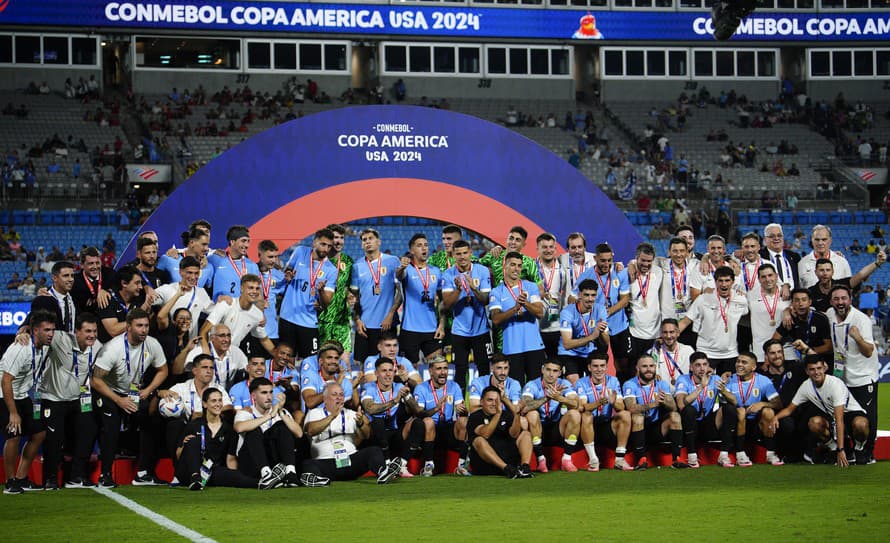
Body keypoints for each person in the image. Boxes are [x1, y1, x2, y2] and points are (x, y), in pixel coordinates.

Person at [90, 309, 168, 487]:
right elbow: (95, 380)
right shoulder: (112, 348)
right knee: (111, 426)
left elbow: (163, 370)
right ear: (128, 327)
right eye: (139, 326)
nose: (144, 330)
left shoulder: (152, 344)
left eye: (146, 326)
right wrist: (119, 400)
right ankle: (106, 474)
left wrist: (148, 390)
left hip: (133, 392)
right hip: (108, 392)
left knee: (151, 419)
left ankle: (144, 472)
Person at [29, 313, 102, 489]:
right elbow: (39, 330)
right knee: (54, 439)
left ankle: (76, 476)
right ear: (76, 332)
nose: (92, 335)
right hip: (53, 398)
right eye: (87, 331)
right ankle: (50, 478)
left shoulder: (98, 347)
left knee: (88, 431)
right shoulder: (60, 338)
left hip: (78, 399)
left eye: (94, 331)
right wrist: (24, 330)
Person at [771, 358, 870, 467]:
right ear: (807, 372)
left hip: (849, 414)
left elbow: (839, 420)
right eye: (812, 369)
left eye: (819, 368)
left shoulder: (835, 384)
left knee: (861, 424)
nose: (816, 372)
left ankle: (859, 448)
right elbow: (790, 409)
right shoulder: (806, 386)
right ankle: (832, 448)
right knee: (814, 423)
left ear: (824, 368)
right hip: (832, 416)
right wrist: (776, 417)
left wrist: (841, 450)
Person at [302, 382, 401, 484]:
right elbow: (310, 430)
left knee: (374, 451)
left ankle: (383, 473)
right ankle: (316, 480)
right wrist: (332, 416)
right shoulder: (314, 413)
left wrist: (361, 424)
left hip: (349, 460)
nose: (339, 397)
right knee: (308, 464)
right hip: (327, 462)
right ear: (325, 398)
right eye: (334, 394)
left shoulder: (351, 413)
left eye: (341, 395)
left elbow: (366, 435)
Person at [824, 285, 879, 464]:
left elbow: (869, 351)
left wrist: (857, 338)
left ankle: (866, 452)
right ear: (831, 301)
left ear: (850, 300)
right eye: (837, 299)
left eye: (844, 298)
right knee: (844, 416)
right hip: (842, 377)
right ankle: (849, 451)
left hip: (863, 378)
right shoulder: (829, 315)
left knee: (865, 421)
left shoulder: (861, 319)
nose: (840, 302)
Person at [1, 310, 53, 494]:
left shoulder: (45, 348)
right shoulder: (21, 348)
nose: (50, 334)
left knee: (39, 433)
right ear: (35, 331)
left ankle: (22, 477)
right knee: (13, 434)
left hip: (23, 395)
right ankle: (10, 481)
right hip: (4, 394)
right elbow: (6, 380)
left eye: (52, 330)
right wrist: (13, 413)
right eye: (46, 330)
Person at [174, 388, 266, 490]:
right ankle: (195, 478)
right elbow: (179, 455)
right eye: (213, 401)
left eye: (220, 400)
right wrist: (184, 444)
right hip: (188, 471)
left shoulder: (228, 429)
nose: (218, 404)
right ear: (205, 404)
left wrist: (233, 473)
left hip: (211, 471)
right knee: (193, 440)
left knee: (234, 476)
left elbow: (230, 460)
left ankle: (263, 483)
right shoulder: (194, 425)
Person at [233, 378, 314, 487]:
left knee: (281, 426)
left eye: (271, 392)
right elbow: (239, 428)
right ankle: (266, 474)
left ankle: (290, 473)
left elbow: (299, 434)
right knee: (253, 431)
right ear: (253, 396)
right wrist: (270, 416)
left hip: (273, 461)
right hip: (251, 461)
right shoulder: (246, 412)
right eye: (264, 393)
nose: (269, 397)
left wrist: (280, 412)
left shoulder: (279, 411)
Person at [572, 243, 632, 382]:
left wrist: (609, 311)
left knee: (622, 364)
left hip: (619, 325)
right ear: (595, 258)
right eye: (603, 260)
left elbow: (625, 299)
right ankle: (597, 392)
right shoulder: (586, 276)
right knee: (597, 363)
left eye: (609, 260)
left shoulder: (619, 272)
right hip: (596, 327)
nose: (606, 264)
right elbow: (573, 297)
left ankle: (622, 392)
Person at [441, 239, 492, 391]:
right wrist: (458, 290)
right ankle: (460, 407)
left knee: (484, 368)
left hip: (481, 330)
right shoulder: (448, 274)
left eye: (465, 253)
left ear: (471, 253)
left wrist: (474, 288)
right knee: (460, 370)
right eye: (458, 254)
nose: (462, 257)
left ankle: (485, 403)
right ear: (453, 256)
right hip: (459, 331)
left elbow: (485, 300)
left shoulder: (482, 271)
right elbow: (447, 304)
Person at [679, 266, 749, 375]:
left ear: (733, 282)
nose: (724, 284)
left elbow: (746, 315)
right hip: (706, 352)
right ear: (715, 282)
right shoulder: (703, 298)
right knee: (704, 387)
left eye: (727, 280)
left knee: (729, 387)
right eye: (720, 281)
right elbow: (685, 321)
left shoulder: (741, 300)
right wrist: (668, 337)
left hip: (731, 353)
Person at [279, 228, 338, 358]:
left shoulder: (331, 270)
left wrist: (321, 291)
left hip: (309, 321)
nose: (326, 249)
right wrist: (288, 274)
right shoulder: (300, 251)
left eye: (329, 246)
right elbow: (288, 269)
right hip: (287, 317)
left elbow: (327, 301)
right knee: (286, 359)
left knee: (310, 361)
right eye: (323, 244)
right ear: (314, 242)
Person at [489, 252, 546, 384]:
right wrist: (515, 308)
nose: (516, 269)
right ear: (505, 266)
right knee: (515, 389)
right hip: (511, 349)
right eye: (513, 265)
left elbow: (539, 313)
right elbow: (496, 319)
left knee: (537, 388)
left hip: (534, 347)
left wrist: (525, 303)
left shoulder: (530, 287)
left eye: (519, 266)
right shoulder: (497, 292)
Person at [359, 357, 422, 478]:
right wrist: (394, 401)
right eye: (384, 371)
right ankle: (387, 465)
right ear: (376, 373)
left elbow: (417, 411)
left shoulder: (399, 386)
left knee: (418, 423)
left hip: (395, 433)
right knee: (378, 421)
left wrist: (408, 396)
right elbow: (370, 408)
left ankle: (401, 465)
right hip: (375, 436)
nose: (388, 374)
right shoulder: (369, 388)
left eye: (390, 370)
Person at [622, 355, 686, 469]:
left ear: (655, 367)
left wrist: (664, 401)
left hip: (657, 429)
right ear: (637, 368)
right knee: (637, 417)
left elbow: (674, 407)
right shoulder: (630, 384)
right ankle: (641, 460)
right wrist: (653, 404)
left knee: (675, 416)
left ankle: (676, 459)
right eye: (644, 366)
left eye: (651, 366)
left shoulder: (661, 384)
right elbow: (630, 408)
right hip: (636, 430)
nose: (648, 369)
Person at [675, 352, 737, 468]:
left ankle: (723, 455)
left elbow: (735, 402)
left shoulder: (715, 379)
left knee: (729, 409)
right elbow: (681, 404)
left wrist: (723, 391)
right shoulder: (683, 380)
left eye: (705, 364)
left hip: (708, 424)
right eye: (698, 365)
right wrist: (701, 387)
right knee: (689, 410)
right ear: (691, 367)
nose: (702, 368)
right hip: (689, 425)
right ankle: (692, 457)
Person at [409, 358, 469, 476]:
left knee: (463, 421)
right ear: (431, 371)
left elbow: (460, 409)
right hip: (428, 431)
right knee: (428, 421)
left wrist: (464, 411)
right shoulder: (421, 388)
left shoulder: (454, 386)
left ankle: (462, 465)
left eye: (445, 368)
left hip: (447, 429)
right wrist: (436, 408)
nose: (443, 372)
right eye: (439, 369)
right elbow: (419, 414)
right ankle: (428, 466)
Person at [575, 351, 633, 471]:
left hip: (607, 426)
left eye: (602, 366)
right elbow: (582, 407)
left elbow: (621, 407)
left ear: (607, 367)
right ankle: (593, 460)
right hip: (587, 428)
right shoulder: (581, 382)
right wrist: (598, 403)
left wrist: (613, 402)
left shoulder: (613, 381)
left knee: (625, 415)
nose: (599, 369)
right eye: (595, 366)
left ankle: (619, 459)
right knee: (586, 415)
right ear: (589, 367)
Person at [351, 228, 402, 364]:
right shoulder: (357, 266)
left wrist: (391, 314)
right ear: (361, 245)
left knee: (387, 363)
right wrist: (357, 320)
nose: (367, 242)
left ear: (378, 242)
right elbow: (354, 297)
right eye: (364, 240)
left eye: (370, 238)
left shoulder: (392, 261)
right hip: (365, 326)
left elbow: (400, 293)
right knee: (362, 365)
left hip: (386, 324)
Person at [520, 359, 581, 473]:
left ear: (560, 373)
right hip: (538, 428)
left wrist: (560, 398)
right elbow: (526, 406)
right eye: (548, 370)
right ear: (542, 370)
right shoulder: (532, 385)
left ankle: (567, 460)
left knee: (575, 414)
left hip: (557, 428)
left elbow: (576, 404)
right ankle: (541, 460)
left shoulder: (564, 384)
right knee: (532, 414)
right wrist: (548, 397)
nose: (551, 374)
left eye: (555, 371)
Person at [725, 352, 784, 467]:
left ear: (753, 367)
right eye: (738, 361)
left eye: (744, 362)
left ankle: (770, 453)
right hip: (735, 424)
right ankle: (740, 453)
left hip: (757, 425)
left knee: (768, 411)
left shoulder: (763, 381)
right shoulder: (729, 380)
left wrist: (762, 403)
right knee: (739, 412)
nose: (739, 365)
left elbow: (778, 404)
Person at [396, 233, 445, 364]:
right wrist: (401, 267)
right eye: (419, 246)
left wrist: (441, 324)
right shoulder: (407, 270)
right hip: (409, 329)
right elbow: (399, 275)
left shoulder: (436, 271)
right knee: (409, 373)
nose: (424, 248)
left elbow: (442, 301)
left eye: (426, 245)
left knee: (438, 367)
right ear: (412, 251)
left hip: (432, 329)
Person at [200, 274, 276, 358]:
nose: (254, 291)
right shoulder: (226, 304)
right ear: (241, 288)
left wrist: (278, 355)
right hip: (211, 351)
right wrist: (206, 354)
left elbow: (264, 339)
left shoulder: (258, 315)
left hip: (231, 356)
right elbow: (204, 330)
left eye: (257, 288)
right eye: (250, 288)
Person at [467, 385, 534, 478]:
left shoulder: (506, 415)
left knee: (526, 434)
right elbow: (485, 434)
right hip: (486, 466)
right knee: (479, 440)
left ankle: (525, 468)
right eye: (490, 400)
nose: (494, 404)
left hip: (510, 459)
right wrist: (498, 414)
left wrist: (517, 414)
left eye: (497, 400)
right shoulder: (475, 417)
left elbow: (514, 435)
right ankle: (506, 469)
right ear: (481, 402)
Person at [757, 339, 807, 462]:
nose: (777, 355)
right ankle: (777, 453)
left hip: (796, 413)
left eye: (780, 352)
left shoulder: (794, 368)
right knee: (783, 421)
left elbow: (817, 363)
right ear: (766, 356)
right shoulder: (761, 376)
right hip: (775, 418)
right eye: (773, 353)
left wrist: (806, 349)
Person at [558, 279, 608, 384]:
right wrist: (592, 336)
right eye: (586, 295)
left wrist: (602, 331)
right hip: (570, 353)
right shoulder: (567, 312)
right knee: (574, 380)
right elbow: (567, 344)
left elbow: (606, 342)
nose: (590, 299)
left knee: (597, 379)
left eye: (593, 295)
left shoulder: (600, 310)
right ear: (579, 295)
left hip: (589, 352)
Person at [317, 224, 355, 365]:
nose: (338, 241)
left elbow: (352, 288)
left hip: (342, 321)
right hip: (321, 321)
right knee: (323, 363)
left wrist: (352, 296)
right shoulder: (319, 261)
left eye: (341, 237)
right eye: (335, 238)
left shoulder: (348, 261)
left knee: (344, 363)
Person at [154, 256, 212, 339]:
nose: (193, 277)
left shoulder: (201, 293)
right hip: (169, 343)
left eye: (196, 273)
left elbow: (216, 312)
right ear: (181, 272)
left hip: (190, 346)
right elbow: (149, 301)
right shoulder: (167, 289)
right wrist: (147, 289)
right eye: (189, 273)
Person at [772, 289, 832, 366]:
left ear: (810, 302)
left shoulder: (820, 318)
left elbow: (829, 347)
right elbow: (774, 341)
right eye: (797, 300)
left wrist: (807, 350)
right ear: (792, 303)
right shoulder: (790, 318)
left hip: (819, 360)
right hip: (798, 360)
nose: (800, 303)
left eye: (804, 300)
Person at [626, 242, 662, 367]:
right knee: (633, 366)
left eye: (649, 261)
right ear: (636, 258)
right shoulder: (627, 273)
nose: (646, 264)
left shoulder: (658, 271)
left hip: (655, 332)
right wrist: (630, 265)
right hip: (634, 331)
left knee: (652, 367)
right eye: (643, 260)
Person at [746, 263, 789, 363]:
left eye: (770, 275)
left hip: (786, 351)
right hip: (760, 352)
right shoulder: (750, 295)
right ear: (759, 279)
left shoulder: (787, 294)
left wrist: (788, 310)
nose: (767, 279)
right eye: (763, 277)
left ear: (776, 276)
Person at [97, 265, 151, 344]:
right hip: (109, 348)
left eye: (141, 283)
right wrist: (139, 315)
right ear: (124, 283)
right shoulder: (107, 299)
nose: (140, 287)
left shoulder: (140, 297)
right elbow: (113, 331)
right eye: (137, 283)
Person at [206, 225, 260, 302]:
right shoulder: (215, 259)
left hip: (244, 310)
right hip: (222, 309)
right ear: (232, 242)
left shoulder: (253, 266)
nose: (247, 245)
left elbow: (257, 293)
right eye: (243, 241)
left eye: (248, 241)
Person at [659, 237, 697, 346]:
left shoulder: (695, 266)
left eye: (682, 251)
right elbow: (641, 260)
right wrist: (632, 264)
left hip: (689, 321)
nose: (678, 254)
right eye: (675, 251)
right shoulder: (660, 264)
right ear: (669, 252)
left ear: (687, 252)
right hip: (667, 323)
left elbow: (714, 258)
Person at [187, 323, 247, 390]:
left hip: (226, 396)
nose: (226, 340)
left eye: (229, 336)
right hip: (203, 394)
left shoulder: (236, 352)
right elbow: (178, 371)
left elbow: (249, 369)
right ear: (212, 338)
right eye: (222, 336)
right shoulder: (199, 351)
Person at [301, 341, 357, 409]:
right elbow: (310, 403)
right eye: (329, 358)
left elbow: (352, 407)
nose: (333, 361)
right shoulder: (313, 377)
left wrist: (354, 388)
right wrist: (336, 385)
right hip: (317, 416)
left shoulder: (345, 382)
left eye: (336, 358)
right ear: (320, 361)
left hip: (339, 416)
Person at [30, 261, 76, 334]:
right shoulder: (43, 300)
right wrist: (24, 328)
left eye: (72, 276)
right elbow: (32, 319)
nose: (71, 279)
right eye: (66, 276)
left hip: (72, 343)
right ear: (54, 278)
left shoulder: (75, 296)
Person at [649, 318, 695, 390]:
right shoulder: (655, 351)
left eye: (671, 332)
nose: (668, 336)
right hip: (663, 394)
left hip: (684, 392)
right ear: (661, 334)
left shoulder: (688, 351)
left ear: (678, 333)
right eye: (665, 332)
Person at [255, 240, 285, 343]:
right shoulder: (251, 270)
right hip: (252, 328)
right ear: (259, 255)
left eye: (275, 257)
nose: (273, 260)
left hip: (272, 330)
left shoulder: (279, 276)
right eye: (270, 257)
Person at [70, 247, 114, 314]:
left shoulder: (110, 275)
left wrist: (105, 290)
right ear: (81, 265)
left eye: (97, 263)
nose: (95, 267)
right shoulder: (75, 282)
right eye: (91, 263)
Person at [760, 223, 800, 289]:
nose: (776, 238)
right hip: (768, 297)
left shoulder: (794, 256)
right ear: (765, 239)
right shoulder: (759, 256)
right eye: (772, 236)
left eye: (779, 235)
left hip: (792, 297)